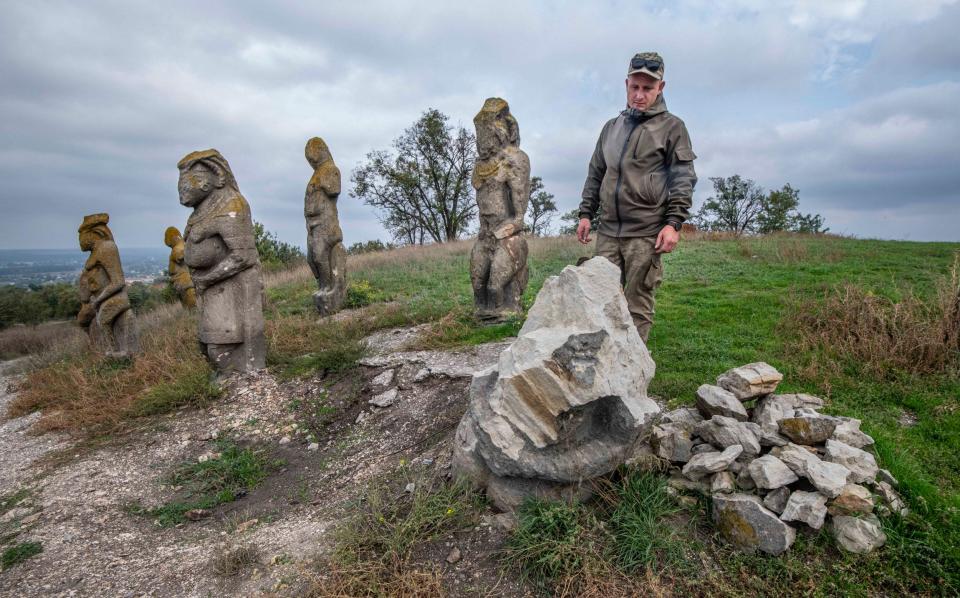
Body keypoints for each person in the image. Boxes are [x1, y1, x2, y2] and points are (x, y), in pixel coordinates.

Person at [576, 51, 698, 342]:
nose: (640, 95)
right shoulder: (611, 128)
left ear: (661, 87)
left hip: (645, 234)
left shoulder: (673, 128)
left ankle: (633, 376)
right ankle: (603, 368)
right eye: (635, 87)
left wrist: (674, 223)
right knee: (601, 302)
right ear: (626, 84)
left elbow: (683, 178)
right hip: (607, 232)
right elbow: (596, 172)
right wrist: (585, 214)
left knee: (637, 306)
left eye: (648, 88)